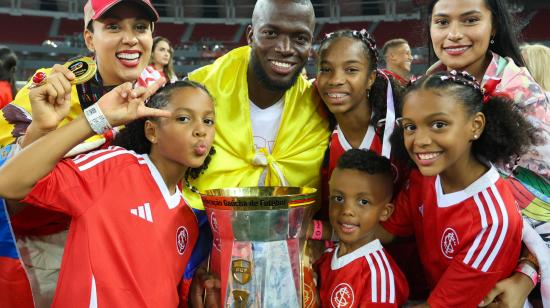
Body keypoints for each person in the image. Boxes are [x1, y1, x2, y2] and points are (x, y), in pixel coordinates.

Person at [0, 78, 217, 307]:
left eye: (208, 121)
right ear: (152, 131)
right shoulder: (112, 169)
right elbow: (8, 182)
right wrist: (96, 118)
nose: (201, 130)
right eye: (184, 118)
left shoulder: (188, 220)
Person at [0, 1, 158, 307]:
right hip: (50, 259)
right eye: (113, 26)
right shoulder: (52, 89)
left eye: (140, 27)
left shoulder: (158, 93)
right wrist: (42, 131)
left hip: (128, 258)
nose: (130, 38)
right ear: (89, 38)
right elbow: (8, 200)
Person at [425, 0, 550, 305]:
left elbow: (545, 201)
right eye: (442, 23)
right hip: (445, 257)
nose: (453, 34)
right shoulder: (428, 84)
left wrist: (525, 276)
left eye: (469, 21)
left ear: (494, 26)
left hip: (505, 277)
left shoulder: (521, 97)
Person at [381, 70, 537, 307]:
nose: (420, 140)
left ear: (475, 126)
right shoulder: (425, 176)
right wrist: (323, 232)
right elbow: (388, 230)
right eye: (410, 127)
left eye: (439, 124)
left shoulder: (492, 221)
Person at [186, 0, 329, 205]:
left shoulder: (322, 110)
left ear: (310, 44)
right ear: (251, 36)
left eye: (300, 38)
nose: (285, 48)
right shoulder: (194, 94)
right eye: (271, 33)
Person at [313, 29, 403, 220]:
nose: (335, 80)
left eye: (351, 70)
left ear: (370, 78)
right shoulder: (317, 138)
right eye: (326, 69)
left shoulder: (400, 133)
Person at [315, 149, 409, 307]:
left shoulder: (378, 277)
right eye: (338, 198)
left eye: (363, 202)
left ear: (385, 212)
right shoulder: (326, 257)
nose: (347, 210)